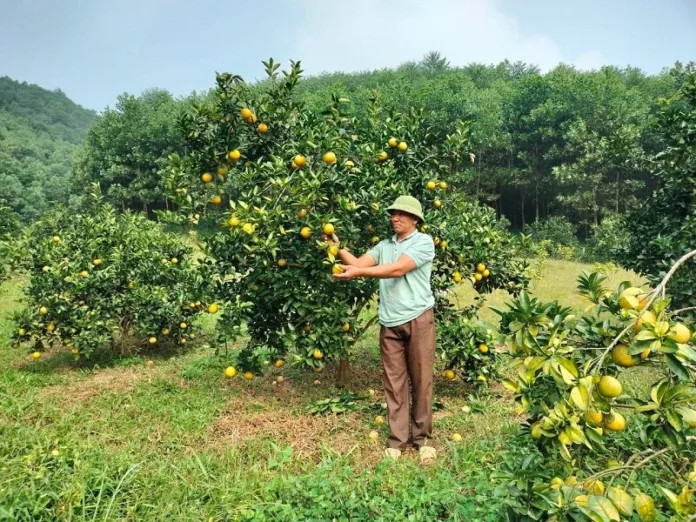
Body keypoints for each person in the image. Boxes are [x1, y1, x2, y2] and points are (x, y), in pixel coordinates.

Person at [329, 195, 437, 464]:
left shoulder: (423, 242)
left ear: (415, 219)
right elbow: (358, 263)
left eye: (401, 214)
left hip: (418, 319)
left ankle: (422, 439)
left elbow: (398, 270)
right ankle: (397, 441)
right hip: (390, 322)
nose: (395, 217)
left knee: (421, 380)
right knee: (394, 383)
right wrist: (337, 249)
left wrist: (357, 274)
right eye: (393, 213)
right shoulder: (383, 245)